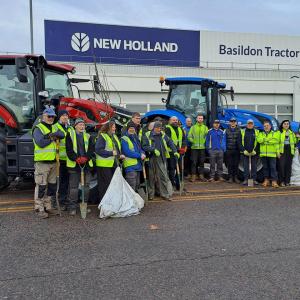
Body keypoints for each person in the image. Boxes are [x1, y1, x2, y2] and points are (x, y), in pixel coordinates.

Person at [32, 108, 64, 218]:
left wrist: (52, 135)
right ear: (43, 116)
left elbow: (62, 134)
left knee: (52, 186)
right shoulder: (38, 128)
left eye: (52, 117)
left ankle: (48, 207)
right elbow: (41, 143)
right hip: (42, 162)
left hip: (53, 162)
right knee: (41, 186)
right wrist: (52, 138)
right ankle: (39, 208)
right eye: (49, 116)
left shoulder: (53, 127)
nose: (51, 118)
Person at [142, 121, 179, 201]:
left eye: (160, 128)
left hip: (161, 158)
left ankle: (165, 194)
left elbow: (170, 142)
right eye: (158, 128)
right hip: (151, 158)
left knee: (163, 176)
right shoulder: (147, 135)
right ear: (154, 128)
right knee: (151, 177)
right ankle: (151, 195)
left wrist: (175, 151)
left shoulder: (163, 134)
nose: (159, 130)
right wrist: (153, 150)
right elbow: (144, 146)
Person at [65, 118, 94, 215]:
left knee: (86, 186)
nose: (82, 127)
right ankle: (72, 207)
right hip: (74, 165)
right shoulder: (70, 135)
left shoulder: (88, 136)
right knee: (73, 187)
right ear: (75, 126)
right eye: (80, 125)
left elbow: (91, 149)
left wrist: (86, 158)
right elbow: (69, 150)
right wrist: (76, 158)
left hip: (86, 165)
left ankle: (84, 205)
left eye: (83, 125)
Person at [95, 120, 124, 202]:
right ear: (108, 127)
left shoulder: (113, 136)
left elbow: (116, 149)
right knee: (105, 186)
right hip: (104, 165)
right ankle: (104, 204)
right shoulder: (102, 136)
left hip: (112, 164)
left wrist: (119, 155)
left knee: (111, 185)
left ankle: (111, 203)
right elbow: (98, 150)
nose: (115, 128)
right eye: (113, 126)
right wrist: (111, 153)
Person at [52, 110, 71, 210]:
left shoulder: (70, 128)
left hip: (68, 159)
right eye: (63, 115)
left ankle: (63, 200)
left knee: (66, 181)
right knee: (58, 181)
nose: (65, 117)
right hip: (58, 159)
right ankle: (56, 201)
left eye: (66, 115)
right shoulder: (55, 127)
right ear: (59, 117)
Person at [121, 121, 146, 191]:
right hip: (130, 167)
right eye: (130, 128)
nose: (132, 129)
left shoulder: (135, 138)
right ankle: (130, 201)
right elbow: (127, 152)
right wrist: (139, 155)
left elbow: (140, 148)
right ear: (127, 129)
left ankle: (135, 201)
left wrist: (143, 153)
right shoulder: (124, 138)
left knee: (137, 185)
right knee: (131, 186)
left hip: (137, 165)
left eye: (133, 128)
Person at [165, 116, 186, 190]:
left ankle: (178, 184)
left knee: (180, 169)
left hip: (179, 152)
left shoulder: (180, 129)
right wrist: (176, 149)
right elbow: (168, 141)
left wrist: (183, 148)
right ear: (170, 121)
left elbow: (183, 139)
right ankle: (171, 184)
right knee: (172, 168)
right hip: (171, 152)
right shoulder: (167, 128)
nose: (175, 121)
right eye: (173, 120)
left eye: (176, 120)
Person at [257, 121, 280, 187]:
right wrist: (268, 140)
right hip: (263, 154)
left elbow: (276, 141)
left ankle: (274, 181)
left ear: (270, 126)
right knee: (265, 168)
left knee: (273, 168)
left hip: (272, 154)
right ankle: (266, 180)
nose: (266, 127)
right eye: (265, 126)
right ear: (263, 127)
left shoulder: (274, 133)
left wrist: (278, 152)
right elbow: (259, 140)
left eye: (267, 125)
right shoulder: (261, 133)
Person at [188, 114, 208, 182]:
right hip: (194, 148)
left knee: (202, 162)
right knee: (194, 162)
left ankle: (201, 176)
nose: (200, 119)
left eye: (201, 118)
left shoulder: (205, 127)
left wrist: (204, 142)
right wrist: (193, 141)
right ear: (196, 119)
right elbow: (189, 136)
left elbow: (207, 137)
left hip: (202, 148)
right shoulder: (193, 127)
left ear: (203, 119)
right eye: (199, 118)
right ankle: (193, 176)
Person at [239, 119, 259, 185]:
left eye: (251, 123)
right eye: (249, 123)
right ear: (247, 124)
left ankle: (254, 180)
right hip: (245, 152)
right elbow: (239, 142)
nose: (250, 125)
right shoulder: (242, 131)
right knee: (245, 167)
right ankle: (246, 179)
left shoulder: (257, 132)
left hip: (254, 153)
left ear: (253, 124)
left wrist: (255, 150)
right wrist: (243, 150)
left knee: (254, 166)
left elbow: (259, 142)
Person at [278, 120, 297, 186]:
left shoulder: (291, 133)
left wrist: (293, 151)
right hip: (282, 151)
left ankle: (287, 181)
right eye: (285, 124)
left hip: (290, 151)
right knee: (281, 166)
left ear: (289, 125)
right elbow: (277, 143)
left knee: (288, 167)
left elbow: (294, 142)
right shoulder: (279, 132)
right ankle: (281, 181)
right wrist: (278, 152)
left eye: (287, 124)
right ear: (282, 125)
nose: (286, 125)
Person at [224, 117, 241, 183]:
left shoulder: (239, 130)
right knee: (229, 164)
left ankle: (236, 177)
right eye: (231, 121)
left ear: (236, 123)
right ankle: (230, 177)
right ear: (229, 122)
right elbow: (224, 140)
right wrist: (225, 149)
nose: (233, 123)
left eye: (234, 121)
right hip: (229, 150)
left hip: (236, 150)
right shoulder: (226, 130)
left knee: (236, 164)